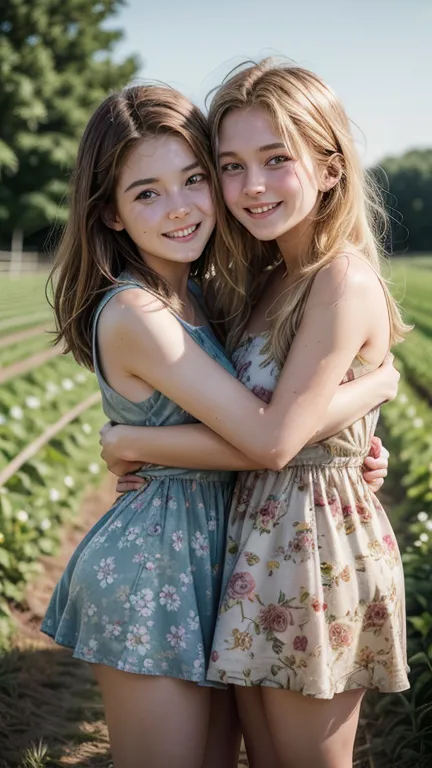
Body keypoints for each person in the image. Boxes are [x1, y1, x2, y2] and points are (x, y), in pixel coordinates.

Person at [98, 60, 409, 768]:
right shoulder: (263, 279)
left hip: (314, 552)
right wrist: (368, 402)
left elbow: (275, 440)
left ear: (330, 167)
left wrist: (132, 441)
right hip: (256, 544)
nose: (252, 186)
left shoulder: (340, 276)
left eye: (276, 160)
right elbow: (289, 429)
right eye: (231, 166)